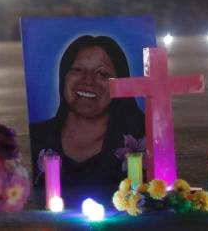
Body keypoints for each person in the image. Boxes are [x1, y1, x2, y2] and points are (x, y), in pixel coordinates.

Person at [29, 35, 145, 204]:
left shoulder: (140, 138)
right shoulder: (37, 137)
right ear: (63, 77)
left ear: (120, 83)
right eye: (77, 70)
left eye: (102, 73)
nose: (88, 81)